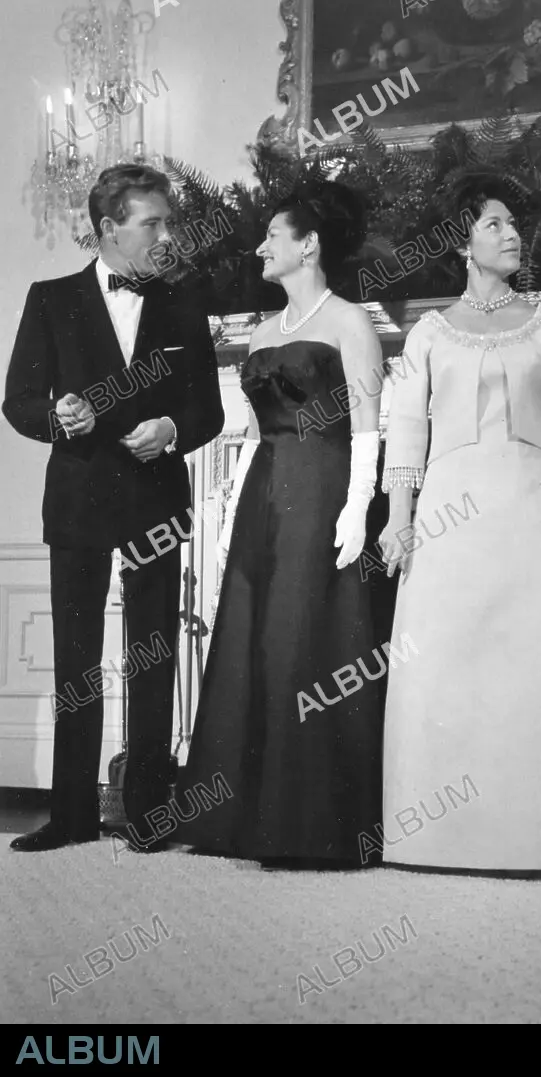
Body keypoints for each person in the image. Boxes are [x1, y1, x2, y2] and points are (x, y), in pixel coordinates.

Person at [376, 173, 541, 872]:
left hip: (528, 508)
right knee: (445, 657)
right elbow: (406, 428)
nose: (512, 235)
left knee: (535, 661)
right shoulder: (429, 333)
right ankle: (435, 836)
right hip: (448, 517)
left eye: (514, 224)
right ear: (463, 243)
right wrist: (398, 518)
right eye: (495, 224)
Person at [4, 164, 224, 853]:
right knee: (76, 663)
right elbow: (19, 401)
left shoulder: (184, 301)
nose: (167, 236)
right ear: (109, 228)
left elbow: (209, 411)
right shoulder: (51, 298)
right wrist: (57, 416)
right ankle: (70, 817)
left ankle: (149, 814)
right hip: (79, 500)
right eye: (152, 223)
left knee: (152, 654)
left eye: (169, 222)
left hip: (156, 498)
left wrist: (172, 429)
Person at [176, 181, 386, 869]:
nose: (261, 247)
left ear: (309, 244)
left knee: (300, 635)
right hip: (264, 491)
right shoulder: (263, 333)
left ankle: (304, 825)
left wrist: (358, 504)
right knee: (254, 637)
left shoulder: (349, 322)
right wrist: (228, 511)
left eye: (273, 235)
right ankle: (236, 819)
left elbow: (367, 424)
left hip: (321, 486)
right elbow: (251, 434)